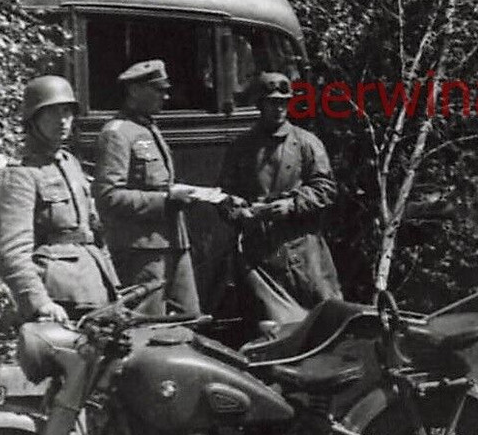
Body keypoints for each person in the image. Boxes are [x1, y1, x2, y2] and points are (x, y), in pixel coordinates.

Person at [0, 75, 120, 322]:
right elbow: (10, 252)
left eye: (67, 112)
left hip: (95, 288)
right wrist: (39, 302)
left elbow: (93, 233)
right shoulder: (20, 174)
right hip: (57, 299)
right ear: (33, 119)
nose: (63, 121)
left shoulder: (70, 163)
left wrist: (111, 282)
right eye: (52, 113)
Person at [218, 72, 341, 324]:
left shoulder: (307, 143)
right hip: (260, 254)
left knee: (322, 318)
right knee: (268, 325)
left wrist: (293, 204)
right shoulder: (241, 147)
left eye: (283, 102)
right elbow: (224, 194)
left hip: (303, 251)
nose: (279, 109)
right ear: (259, 105)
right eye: (272, 103)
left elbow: (325, 188)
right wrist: (238, 212)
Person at [93, 60, 202, 316]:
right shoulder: (117, 134)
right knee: (147, 324)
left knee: (189, 318)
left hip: (174, 242)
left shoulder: (148, 128)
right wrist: (166, 199)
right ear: (133, 91)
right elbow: (108, 196)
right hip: (142, 251)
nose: (165, 96)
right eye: (157, 89)